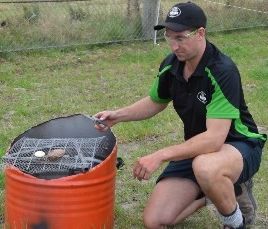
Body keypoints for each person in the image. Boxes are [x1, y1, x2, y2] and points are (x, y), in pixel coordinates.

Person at [94, 2, 266, 229]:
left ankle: (235, 222)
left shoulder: (221, 71)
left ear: (200, 33)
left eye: (181, 38)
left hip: (238, 146)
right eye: (169, 37)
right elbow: (156, 101)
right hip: (198, 150)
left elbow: (215, 139)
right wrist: (118, 115)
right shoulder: (171, 65)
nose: (174, 46)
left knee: (207, 167)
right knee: (155, 220)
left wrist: (160, 155)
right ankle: (214, 193)